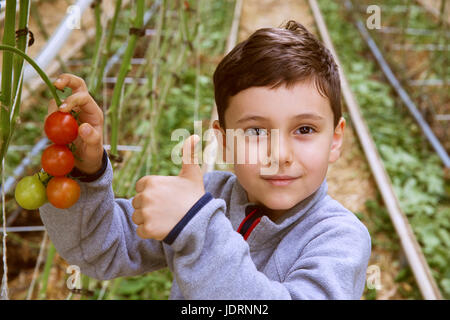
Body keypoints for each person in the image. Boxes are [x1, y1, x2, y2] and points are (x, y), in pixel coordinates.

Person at [39, 20, 371, 299]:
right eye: (255, 132)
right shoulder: (208, 197)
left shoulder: (339, 238)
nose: (279, 156)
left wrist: (196, 226)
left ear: (335, 140)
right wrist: (85, 169)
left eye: (304, 128)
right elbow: (99, 251)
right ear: (224, 141)